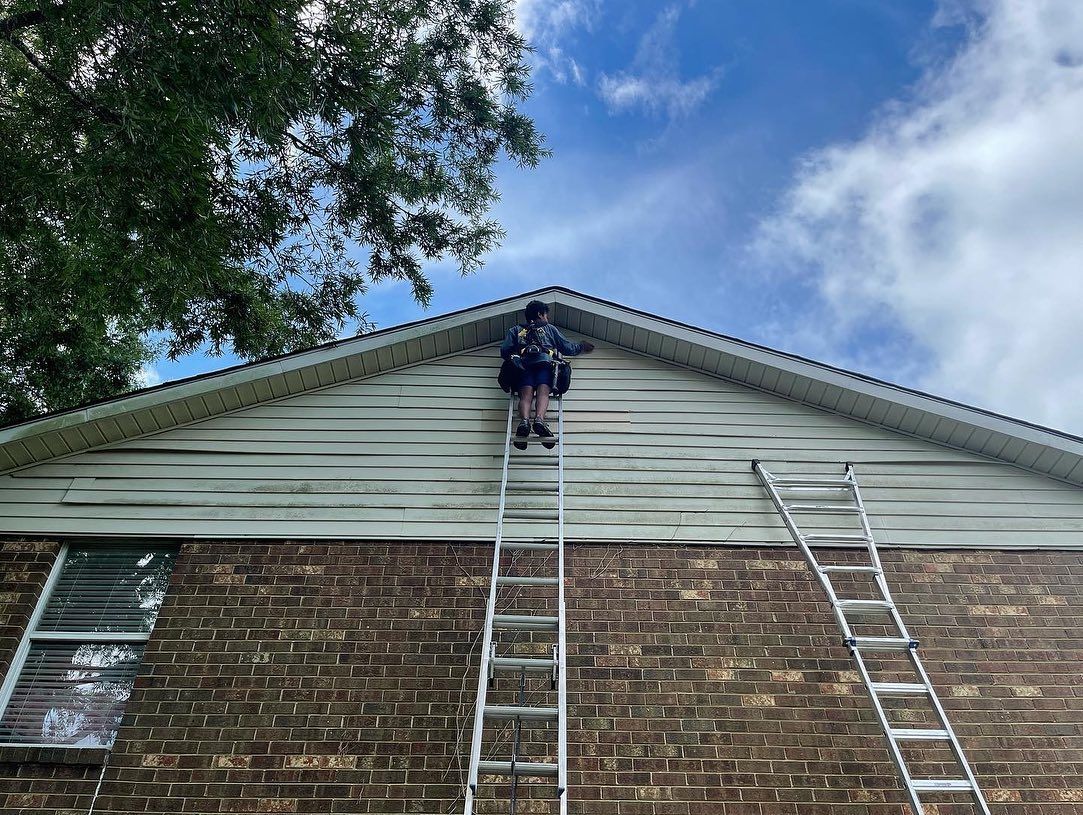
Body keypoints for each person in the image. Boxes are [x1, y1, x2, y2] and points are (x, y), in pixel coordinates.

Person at [501, 300, 594, 449]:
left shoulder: (516, 330)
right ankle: (539, 419)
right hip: (544, 366)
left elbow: (505, 350)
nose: (547, 319)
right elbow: (567, 347)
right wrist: (581, 346)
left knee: (525, 396)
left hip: (524, 367)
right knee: (543, 394)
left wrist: (515, 357)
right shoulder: (549, 329)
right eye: (546, 315)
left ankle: (524, 421)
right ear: (540, 314)